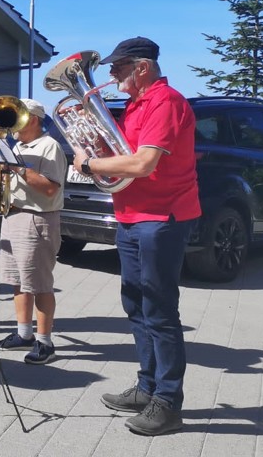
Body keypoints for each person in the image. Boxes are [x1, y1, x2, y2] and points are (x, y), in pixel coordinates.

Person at [71, 37, 199, 436]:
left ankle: (168, 403)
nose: (111, 75)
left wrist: (89, 164)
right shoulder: (136, 104)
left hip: (162, 218)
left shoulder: (166, 102)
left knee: (159, 309)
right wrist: (93, 140)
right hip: (131, 215)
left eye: (118, 68)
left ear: (141, 68)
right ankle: (147, 388)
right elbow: (121, 153)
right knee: (136, 305)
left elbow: (143, 163)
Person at [0, 98, 65, 365]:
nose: (12, 124)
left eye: (19, 117)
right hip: (13, 215)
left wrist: (17, 168)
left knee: (39, 284)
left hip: (36, 218)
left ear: (34, 119)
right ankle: (24, 334)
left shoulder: (48, 146)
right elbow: (12, 179)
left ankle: (45, 342)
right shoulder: (18, 146)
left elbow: (50, 188)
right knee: (18, 281)